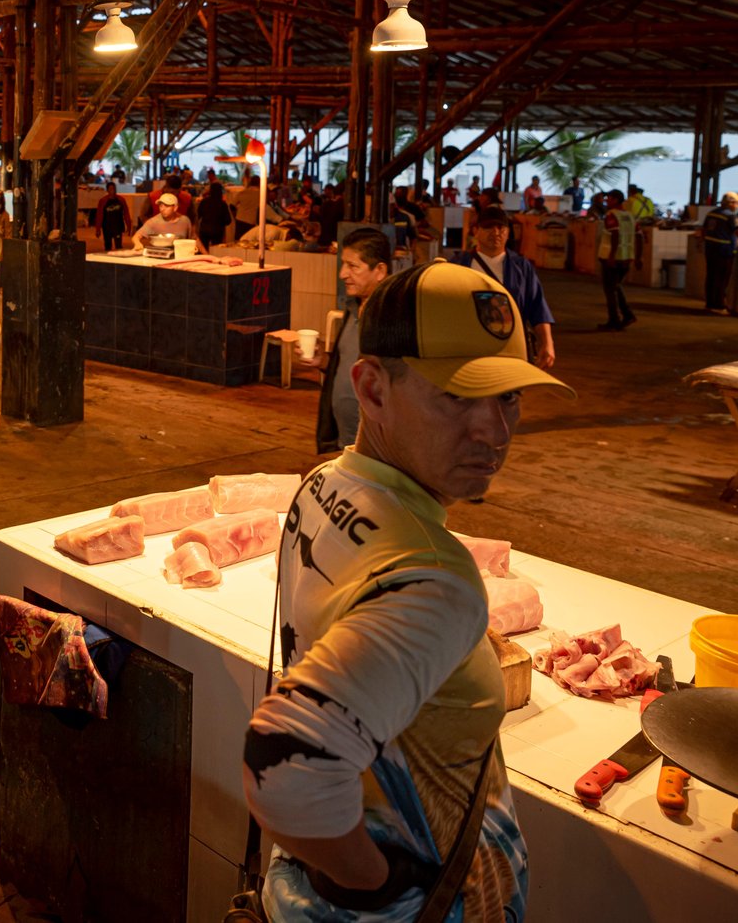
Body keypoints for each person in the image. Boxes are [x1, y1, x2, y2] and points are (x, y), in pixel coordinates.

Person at [245, 260, 574, 923]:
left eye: (508, 397)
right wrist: (375, 882)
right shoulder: (434, 578)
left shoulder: (325, 484)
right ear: (370, 389)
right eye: (455, 398)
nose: (495, 431)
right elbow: (284, 761)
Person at [448, 207, 557, 368]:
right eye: (488, 227)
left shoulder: (521, 267)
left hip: (511, 348)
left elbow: (537, 307)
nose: (496, 232)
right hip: (467, 348)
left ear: (508, 232)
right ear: (476, 231)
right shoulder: (458, 265)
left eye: (501, 228)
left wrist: (547, 343)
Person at [314, 229, 392, 454]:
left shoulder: (392, 321)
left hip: (377, 449)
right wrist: (324, 362)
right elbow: (350, 367)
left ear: (380, 271)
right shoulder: (352, 309)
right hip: (345, 443)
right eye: (343, 264)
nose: (342, 274)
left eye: (352, 266)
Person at [597, 189, 640, 331]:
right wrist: (639, 257)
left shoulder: (612, 215)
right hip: (626, 258)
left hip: (612, 259)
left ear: (615, 200)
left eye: (608, 198)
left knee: (610, 290)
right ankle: (627, 315)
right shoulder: (630, 216)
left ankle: (614, 320)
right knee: (616, 287)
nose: (606, 200)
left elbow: (615, 234)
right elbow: (640, 236)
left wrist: (611, 256)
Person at [698, 192, 738, 315]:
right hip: (724, 250)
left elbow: (703, 230)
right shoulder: (730, 216)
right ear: (730, 203)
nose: (736, 206)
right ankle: (719, 305)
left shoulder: (712, 213)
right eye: (736, 203)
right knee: (721, 279)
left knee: (711, 277)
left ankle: (709, 304)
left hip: (710, 249)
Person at [95, 182, 130, 252]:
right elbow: (99, 215)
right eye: (110, 189)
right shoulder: (103, 201)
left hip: (118, 226)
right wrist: (98, 229)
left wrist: (129, 226)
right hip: (107, 227)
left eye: (114, 188)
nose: (112, 190)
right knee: (108, 246)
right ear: (107, 190)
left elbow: (126, 213)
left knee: (118, 246)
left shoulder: (121, 200)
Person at [196, 181, 232, 248]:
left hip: (204, 230)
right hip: (217, 231)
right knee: (216, 251)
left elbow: (198, 215)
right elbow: (228, 220)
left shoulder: (204, 202)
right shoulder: (222, 204)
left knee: (203, 250)